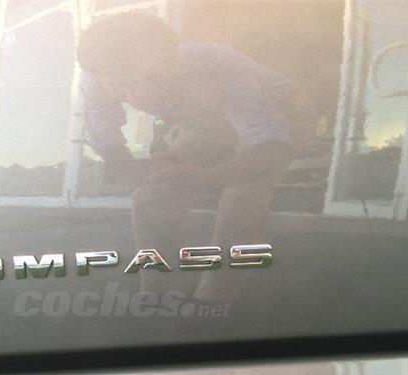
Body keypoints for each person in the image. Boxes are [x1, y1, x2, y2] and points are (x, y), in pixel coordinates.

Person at [77, 12, 316, 301]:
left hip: (284, 116)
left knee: (241, 204)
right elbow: (111, 149)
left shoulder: (220, 69)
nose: (127, 94)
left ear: (168, 61)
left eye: (138, 79)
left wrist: (205, 179)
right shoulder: (97, 74)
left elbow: (272, 148)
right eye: (116, 86)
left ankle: (214, 303)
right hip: (202, 120)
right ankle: (156, 298)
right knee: (152, 197)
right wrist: (145, 178)